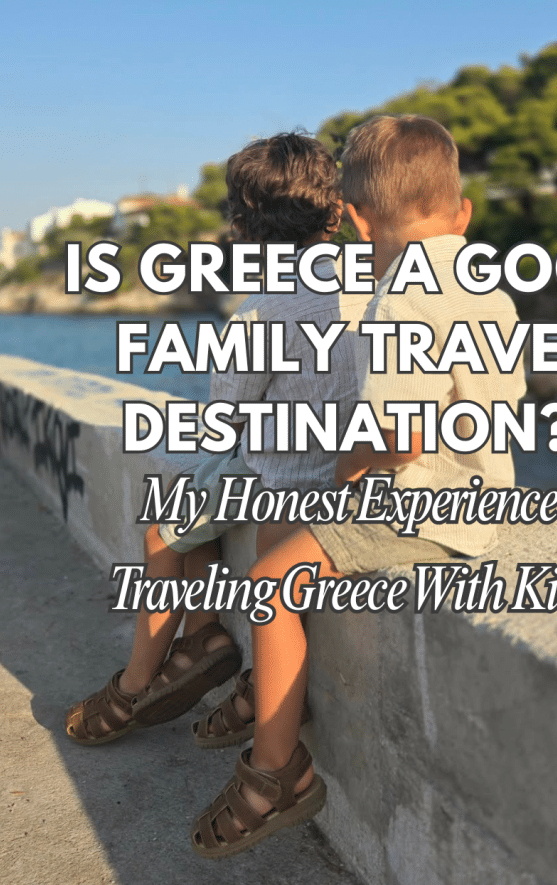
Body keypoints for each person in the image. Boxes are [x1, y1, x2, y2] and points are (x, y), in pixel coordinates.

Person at [189, 115, 526, 858]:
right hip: (479, 497)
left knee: (272, 580)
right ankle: (259, 696)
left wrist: (349, 468)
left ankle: (278, 774)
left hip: (425, 512)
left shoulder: (404, 296)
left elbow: (399, 436)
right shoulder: (485, 286)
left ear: (356, 218)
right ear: (463, 211)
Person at [65, 132, 367, 745]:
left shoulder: (260, 312)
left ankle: (134, 684)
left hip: (285, 478)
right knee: (199, 515)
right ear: (337, 211)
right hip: (348, 473)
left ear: (242, 227)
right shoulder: (372, 286)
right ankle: (202, 641)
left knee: (165, 528)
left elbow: (225, 418)